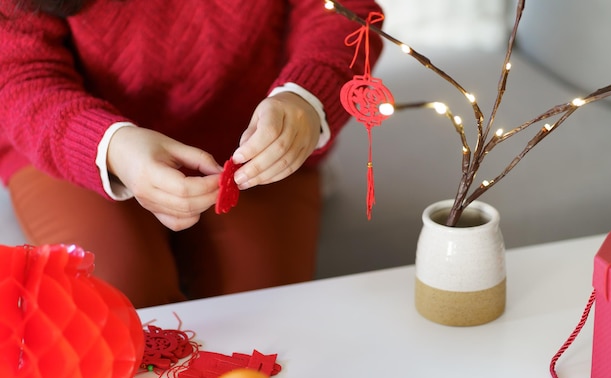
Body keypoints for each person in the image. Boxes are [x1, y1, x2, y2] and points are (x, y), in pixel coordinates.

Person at [0, 0, 383, 307]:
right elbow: (19, 74)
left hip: (249, 146)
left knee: (261, 321)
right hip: (69, 143)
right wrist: (109, 146)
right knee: (116, 310)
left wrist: (305, 99)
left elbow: (347, 15)